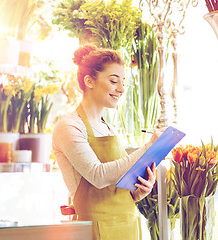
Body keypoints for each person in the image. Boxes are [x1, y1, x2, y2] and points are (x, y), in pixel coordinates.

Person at [52, 44, 166, 240]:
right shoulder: (68, 126)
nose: (121, 89)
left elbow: (116, 186)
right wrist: (149, 147)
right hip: (95, 230)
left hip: (128, 227)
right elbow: (98, 176)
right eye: (114, 81)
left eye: (123, 82)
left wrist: (138, 191)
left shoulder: (108, 127)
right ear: (89, 81)